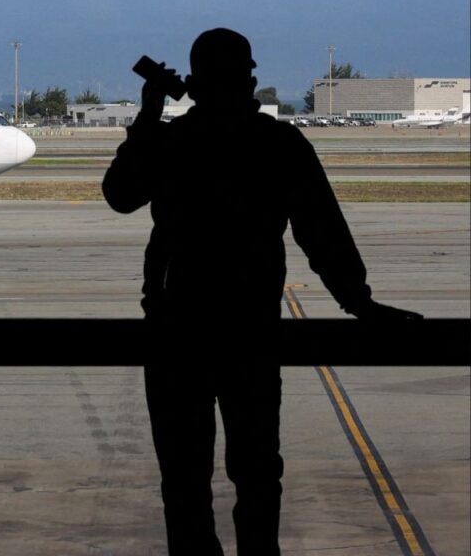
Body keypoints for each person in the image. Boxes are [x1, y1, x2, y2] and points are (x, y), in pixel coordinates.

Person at [102, 28, 421, 555]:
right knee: (256, 478)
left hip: (176, 333)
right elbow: (323, 233)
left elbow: (120, 195)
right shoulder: (278, 144)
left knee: (184, 483)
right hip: (250, 334)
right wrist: (359, 302)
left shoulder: (172, 143)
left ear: (196, 82)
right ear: (248, 77)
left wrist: (148, 115)